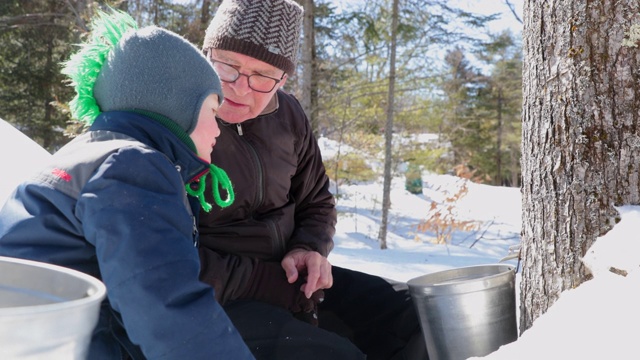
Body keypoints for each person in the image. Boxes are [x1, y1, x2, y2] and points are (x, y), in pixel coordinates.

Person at [0, 8, 254, 360]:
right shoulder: (132, 166)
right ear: (176, 107)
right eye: (213, 112)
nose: (217, 132)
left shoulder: (87, 155)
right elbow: (168, 308)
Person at [197, 0, 429, 359]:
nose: (241, 88)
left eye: (262, 76)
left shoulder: (288, 115)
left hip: (292, 280)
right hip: (219, 295)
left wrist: (309, 248)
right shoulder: (179, 121)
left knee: (416, 316)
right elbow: (163, 256)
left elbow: (316, 200)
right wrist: (266, 283)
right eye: (228, 66)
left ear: (283, 79)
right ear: (206, 54)